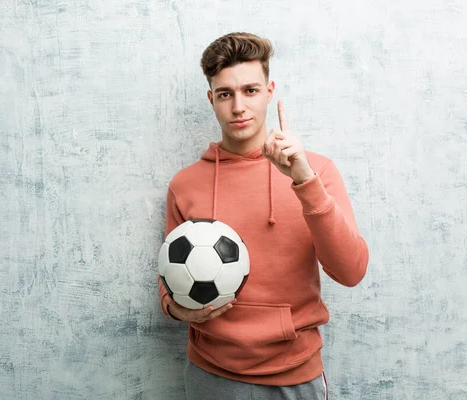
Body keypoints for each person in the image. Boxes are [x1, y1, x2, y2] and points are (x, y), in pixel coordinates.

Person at [157, 32, 369, 400]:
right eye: (225, 94)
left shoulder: (317, 171)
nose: (239, 106)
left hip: (295, 374)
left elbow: (351, 272)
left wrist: (304, 180)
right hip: (211, 375)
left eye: (250, 90)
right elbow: (169, 280)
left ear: (270, 91)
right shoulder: (185, 185)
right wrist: (176, 309)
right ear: (212, 100)